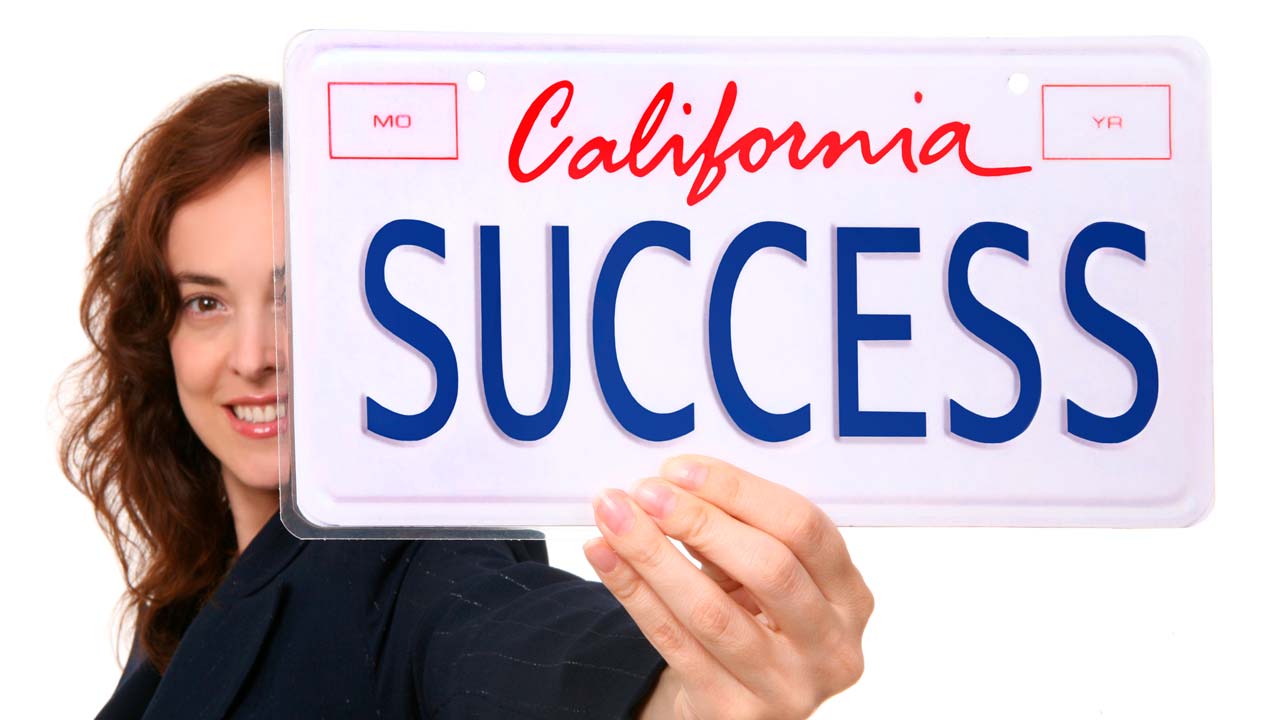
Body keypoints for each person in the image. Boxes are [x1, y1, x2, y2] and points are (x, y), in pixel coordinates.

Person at [60, 75, 873, 719]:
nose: (252, 358)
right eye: (205, 302)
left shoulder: (420, 564)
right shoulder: (187, 605)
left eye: (297, 296)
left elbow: (517, 648)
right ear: (157, 336)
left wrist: (696, 700)